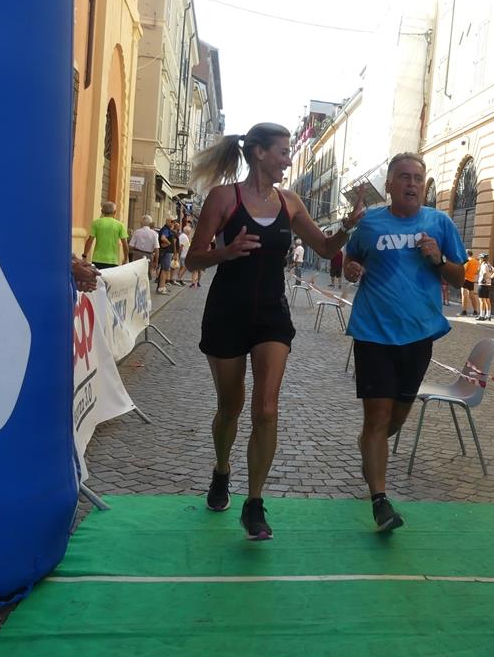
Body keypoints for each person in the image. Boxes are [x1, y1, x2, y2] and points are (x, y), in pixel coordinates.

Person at [184, 122, 365, 540]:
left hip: (271, 315)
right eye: (283, 152)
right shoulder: (224, 198)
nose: (288, 160)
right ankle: (221, 469)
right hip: (226, 313)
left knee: (266, 408)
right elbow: (192, 259)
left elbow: (325, 248)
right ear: (259, 153)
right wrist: (226, 253)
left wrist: (347, 227)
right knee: (230, 407)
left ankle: (254, 503)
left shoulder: (290, 202)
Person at [343, 152, 466, 532]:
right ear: (390, 184)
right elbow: (349, 262)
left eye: (417, 178)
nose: (412, 184)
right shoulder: (370, 224)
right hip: (373, 331)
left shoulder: (439, 223)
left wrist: (438, 259)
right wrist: (351, 269)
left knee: (394, 420)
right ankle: (380, 501)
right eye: (404, 177)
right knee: (378, 418)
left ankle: (370, 446)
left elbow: (460, 277)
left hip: (419, 334)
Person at [83, 200, 129, 269]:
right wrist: (125, 258)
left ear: (102, 211)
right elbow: (125, 244)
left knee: (97, 276)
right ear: (115, 212)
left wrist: (84, 255)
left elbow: (90, 240)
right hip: (112, 261)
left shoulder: (96, 223)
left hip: (97, 260)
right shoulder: (119, 225)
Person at [476, 253, 494, 321]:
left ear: (482, 259)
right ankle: (488, 315)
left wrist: (483, 279)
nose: (479, 260)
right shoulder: (489, 265)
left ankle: (482, 315)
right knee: (487, 300)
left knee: (481, 301)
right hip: (488, 285)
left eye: (480, 259)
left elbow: (484, 273)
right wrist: (490, 278)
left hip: (482, 285)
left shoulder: (483, 265)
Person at [156, 218, 176, 294]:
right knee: (164, 270)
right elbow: (163, 238)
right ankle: (161, 288)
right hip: (166, 252)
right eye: (172, 222)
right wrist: (168, 243)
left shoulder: (167, 229)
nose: (173, 223)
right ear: (168, 222)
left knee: (165, 270)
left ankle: (162, 286)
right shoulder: (166, 229)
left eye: (173, 222)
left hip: (166, 252)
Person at [460, 250, 480, 317]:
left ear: (466, 254)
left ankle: (464, 311)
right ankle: (475, 311)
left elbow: (464, 270)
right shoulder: (476, 261)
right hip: (471, 280)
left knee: (464, 295)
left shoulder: (467, 260)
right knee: (472, 296)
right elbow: (477, 272)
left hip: (465, 279)